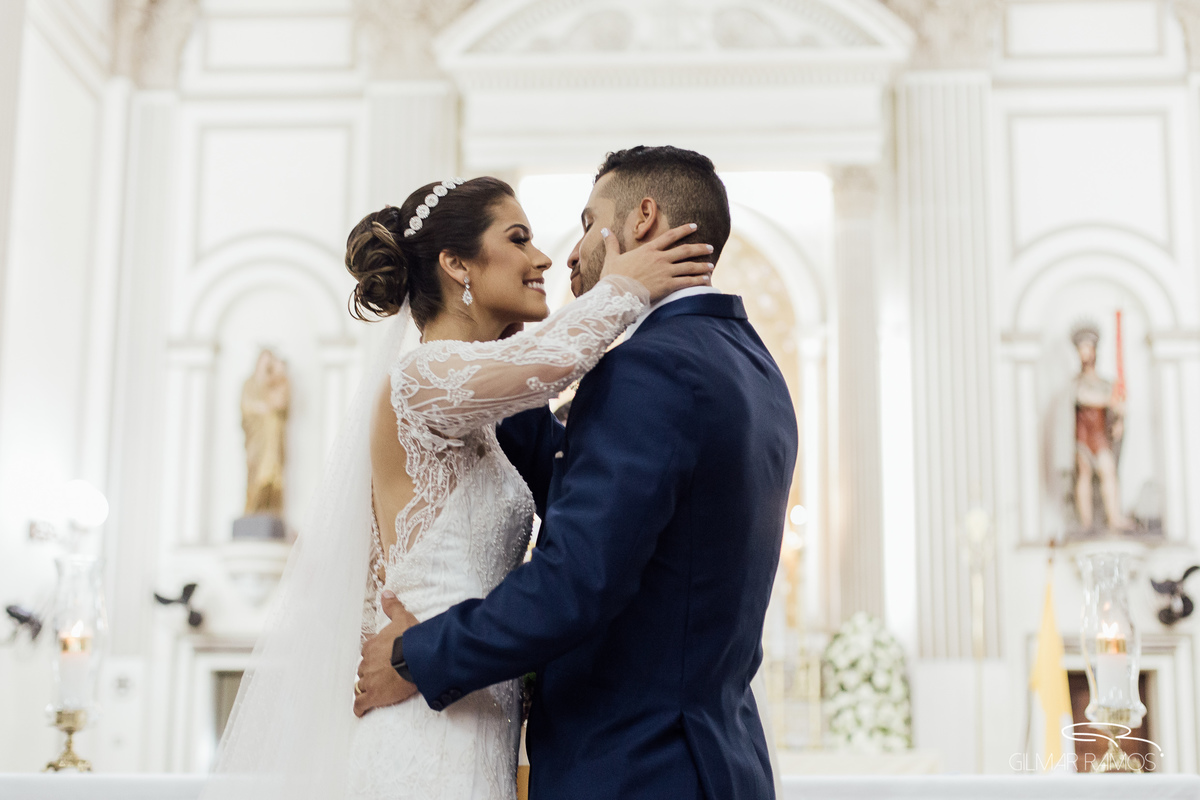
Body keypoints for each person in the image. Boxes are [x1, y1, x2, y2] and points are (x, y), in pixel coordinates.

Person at [203, 174, 712, 800]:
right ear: (455, 264)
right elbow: (551, 362)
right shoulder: (421, 375)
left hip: (470, 714)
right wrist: (629, 284)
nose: (544, 257)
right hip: (423, 727)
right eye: (519, 238)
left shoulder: (490, 419)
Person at [355, 146, 799, 799]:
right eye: (520, 239)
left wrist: (415, 656)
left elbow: (577, 581)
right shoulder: (751, 365)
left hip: (638, 764)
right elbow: (570, 483)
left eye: (589, 224)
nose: (559, 255)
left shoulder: (649, 370)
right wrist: (496, 332)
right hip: (688, 754)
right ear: (457, 265)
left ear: (642, 220)